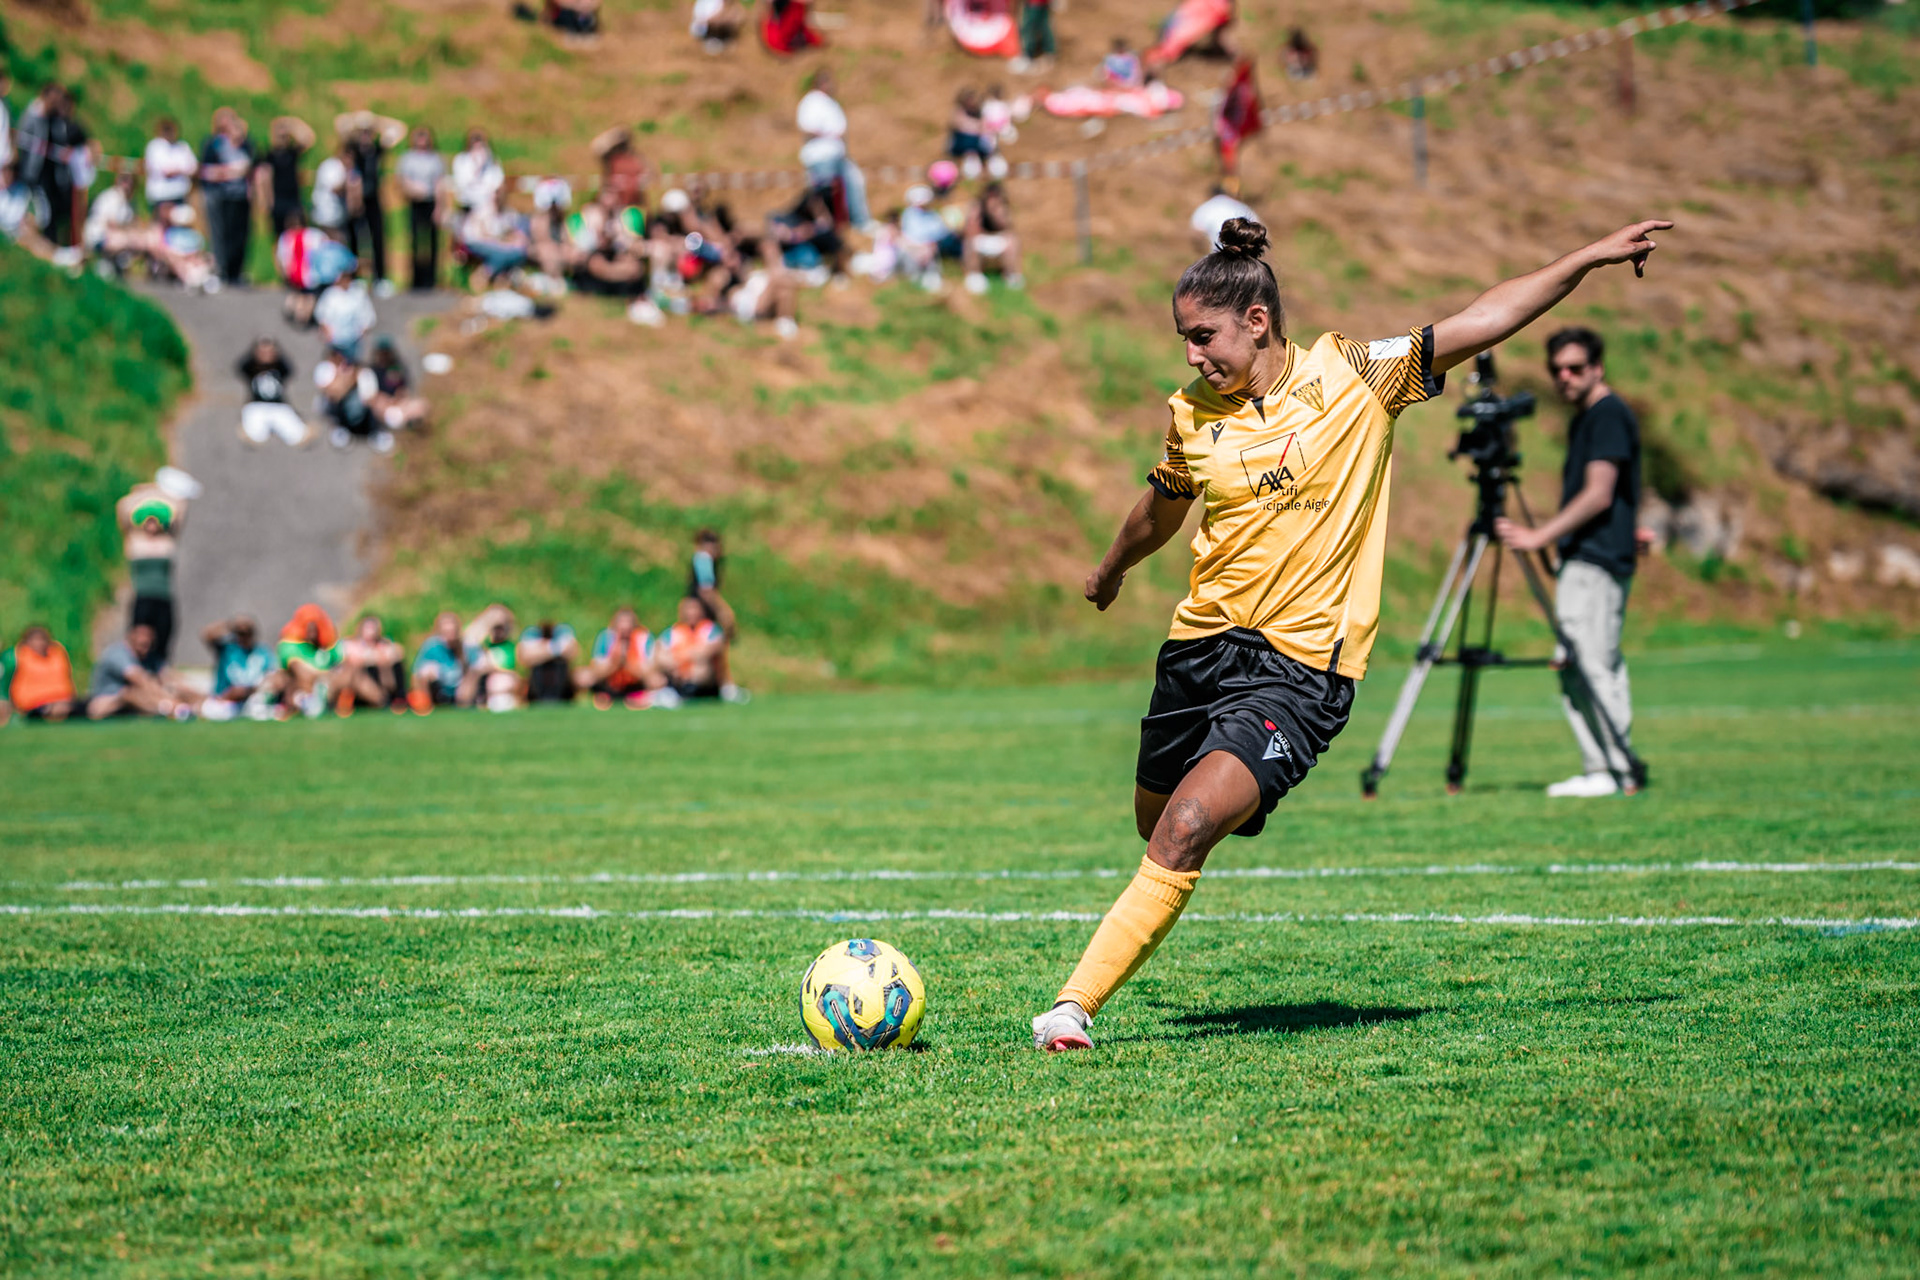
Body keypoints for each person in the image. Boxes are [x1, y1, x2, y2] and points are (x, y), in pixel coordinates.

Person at [1028, 215, 1675, 1051]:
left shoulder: (1357, 376)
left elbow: (1486, 317)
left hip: (1299, 671)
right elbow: (1163, 502)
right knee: (1155, 821)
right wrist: (1111, 568)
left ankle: (1071, 1007)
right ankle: (1234, 792)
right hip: (1196, 652)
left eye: (1203, 337)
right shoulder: (1193, 413)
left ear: (1257, 322)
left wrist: (1584, 259)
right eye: (1183, 339)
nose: (1191, 356)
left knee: (1186, 825)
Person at [1494, 327, 1644, 798]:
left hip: (1594, 561)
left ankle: (1609, 769)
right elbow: (1620, 489)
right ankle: (1609, 766)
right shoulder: (1591, 418)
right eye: (1556, 369)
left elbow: (1599, 493)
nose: (1565, 377)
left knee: (1590, 664)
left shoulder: (1606, 415)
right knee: (1587, 662)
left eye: (1575, 368)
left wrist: (1540, 535)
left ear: (1597, 368)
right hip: (1594, 557)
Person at [336, 111, 408, 293]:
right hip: (355, 198)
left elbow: (400, 129)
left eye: (368, 132)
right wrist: (357, 122)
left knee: (378, 238)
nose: (365, 135)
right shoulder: (352, 148)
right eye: (363, 132)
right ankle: (356, 277)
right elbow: (340, 124)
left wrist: (376, 122)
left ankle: (380, 278)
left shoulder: (377, 148)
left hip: (374, 198)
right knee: (355, 239)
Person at [117, 482, 186, 666]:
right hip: (143, 596)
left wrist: (159, 491)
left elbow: (180, 506)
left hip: (164, 596)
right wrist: (143, 492)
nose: (152, 525)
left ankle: (161, 669)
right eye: (148, 520)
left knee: (164, 636)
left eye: (155, 520)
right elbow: (123, 507)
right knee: (139, 636)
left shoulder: (168, 540)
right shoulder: (134, 541)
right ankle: (138, 668)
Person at [88, 623, 196, 720]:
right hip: (102, 703)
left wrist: (183, 689)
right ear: (131, 636)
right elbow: (140, 680)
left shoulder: (148, 656)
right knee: (130, 693)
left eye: (148, 641)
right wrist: (170, 700)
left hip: (132, 705)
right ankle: (170, 709)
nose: (146, 644)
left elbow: (169, 676)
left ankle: (203, 706)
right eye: (142, 641)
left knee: (169, 688)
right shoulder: (117, 654)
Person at [199, 108, 256, 285]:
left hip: (240, 196)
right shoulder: (214, 143)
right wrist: (229, 172)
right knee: (219, 233)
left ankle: (235, 271)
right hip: (219, 194)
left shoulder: (245, 145)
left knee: (239, 234)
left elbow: (250, 166)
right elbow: (205, 169)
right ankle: (221, 269)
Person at [577, 606, 672, 708]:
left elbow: (650, 669)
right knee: (583, 677)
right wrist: (616, 663)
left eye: (628, 622)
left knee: (657, 680)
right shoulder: (606, 637)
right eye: (622, 622)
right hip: (610, 681)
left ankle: (640, 697)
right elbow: (597, 669)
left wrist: (628, 664)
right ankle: (600, 697)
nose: (625, 626)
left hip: (636, 681)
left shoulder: (643, 638)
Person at [396, 125, 445, 291]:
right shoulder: (407, 158)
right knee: (416, 241)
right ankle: (416, 279)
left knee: (432, 242)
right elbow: (402, 181)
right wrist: (414, 189)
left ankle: (431, 279)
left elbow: (439, 184)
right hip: (415, 203)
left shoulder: (435, 159)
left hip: (430, 203)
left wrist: (439, 207)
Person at [653, 596, 731, 699]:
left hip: (704, 676)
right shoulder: (674, 631)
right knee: (655, 672)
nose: (692, 613)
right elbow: (659, 652)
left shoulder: (710, 629)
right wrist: (674, 665)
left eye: (695, 608)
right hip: (677, 672)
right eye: (688, 609)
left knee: (701, 665)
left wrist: (680, 659)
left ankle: (690, 690)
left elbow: (706, 650)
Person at [238, 336, 310, 446]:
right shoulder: (251, 368)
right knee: (255, 434)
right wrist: (256, 356)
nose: (266, 355)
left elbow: (290, 368)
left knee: (296, 434)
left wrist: (276, 356)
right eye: (263, 351)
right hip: (257, 405)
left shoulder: (279, 368)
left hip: (278, 405)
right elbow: (241, 366)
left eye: (269, 351)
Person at [201, 616, 279, 718]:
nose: (244, 637)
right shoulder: (228, 649)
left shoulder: (262, 651)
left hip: (252, 699)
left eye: (248, 633)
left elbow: (273, 674)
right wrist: (231, 625)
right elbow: (208, 634)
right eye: (241, 633)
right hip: (225, 701)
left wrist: (252, 690)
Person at [0, 625, 77, 726]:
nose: (40, 643)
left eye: (42, 640)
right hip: (33, 704)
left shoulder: (57, 654)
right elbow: (4, 685)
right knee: (56, 709)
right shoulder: (15, 657)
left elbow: (68, 680)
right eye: (36, 640)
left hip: (63, 700)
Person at [334, 614, 411, 714]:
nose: (371, 632)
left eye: (373, 628)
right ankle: (381, 699)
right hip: (360, 685)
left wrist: (381, 656)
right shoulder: (351, 644)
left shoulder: (384, 644)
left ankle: (398, 697)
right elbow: (351, 660)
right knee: (361, 669)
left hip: (383, 680)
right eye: (368, 628)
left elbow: (399, 652)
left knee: (393, 664)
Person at [276, 604, 342, 718]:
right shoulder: (290, 644)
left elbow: (340, 665)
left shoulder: (328, 646)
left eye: (315, 627)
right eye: (308, 627)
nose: (312, 632)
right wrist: (323, 674)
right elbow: (297, 668)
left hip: (328, 685)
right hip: (296, 687)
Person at [963, 181, 1022, 295]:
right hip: (981, 239)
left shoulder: (1002, 207)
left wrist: (997, 213)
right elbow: (970, 230)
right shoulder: (977, 207)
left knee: (1012, 240)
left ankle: (1011, 275)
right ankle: (975, 275)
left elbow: (1007, 228)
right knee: (970, 241)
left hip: (997, 239)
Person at [315, 258, 377, 360]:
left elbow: (367, 313)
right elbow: (321, 314)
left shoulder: (358, 291)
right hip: (335, 341)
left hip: (353, 339)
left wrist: (364, 329)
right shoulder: (330, 294)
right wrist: (326, 330)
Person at [408, 611, 469, 712]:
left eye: (453, 632)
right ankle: (424, 706)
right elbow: (416, 674)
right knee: (426, 670)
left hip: (461, 689)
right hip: (439, 689)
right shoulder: (431, 646)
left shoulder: (467, 646)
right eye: (446, 633)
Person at [463, 605, 521, 711]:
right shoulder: (483, 645)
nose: (498, 631)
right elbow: (469, 638)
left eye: (501, 627)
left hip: (501, 686)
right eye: (495, 627)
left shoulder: (510, 647)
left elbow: (512, 671)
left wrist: (492, 667)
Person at [142, 117, 197, 222]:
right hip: (160, 195)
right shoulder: (155, 147)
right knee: (160, 227)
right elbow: (163, 170)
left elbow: (193, 168)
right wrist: (180, 170)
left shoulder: (183, 147)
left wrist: (177, 170)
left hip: (179, 195)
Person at [518, 619, 580, 703]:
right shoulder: (531, 633)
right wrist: (555, 649)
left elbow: (572, 651)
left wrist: (541, 651)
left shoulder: (563, 631)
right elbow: (525, 657)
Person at [1189, 185, 1258, 253]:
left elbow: (1196, 230)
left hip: (1218, 250)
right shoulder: (1238, 205)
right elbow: (1256, 225)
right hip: (1243, 250)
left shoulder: (1206, 207)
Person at [450, 129, 505, 215]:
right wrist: (477, 168)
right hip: (467, 204)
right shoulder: (461, 160)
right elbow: (462, 183)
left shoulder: (493, 162)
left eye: (481, 147)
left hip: (487, 204)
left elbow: (497, 183)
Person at [1014, 0, 1056, 73]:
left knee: (1030, 28)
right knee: (1043, 25)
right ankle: (1049, 51)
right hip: (1038, 3)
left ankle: (1028, 56)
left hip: (1035, 3)